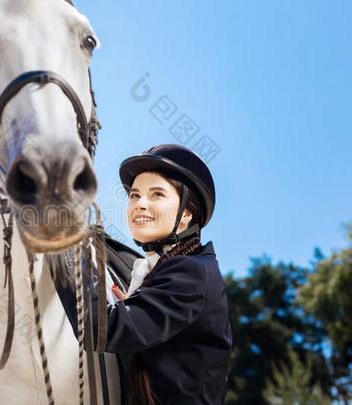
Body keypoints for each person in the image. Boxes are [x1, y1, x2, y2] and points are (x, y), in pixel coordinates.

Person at [55, 144, 232, 405]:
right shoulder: (160, 271)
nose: (140, 204)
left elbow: (103, 330)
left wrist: (63, 248)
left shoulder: (192, 273)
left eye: (156, 194)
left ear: (186, 213)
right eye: (135, 196)